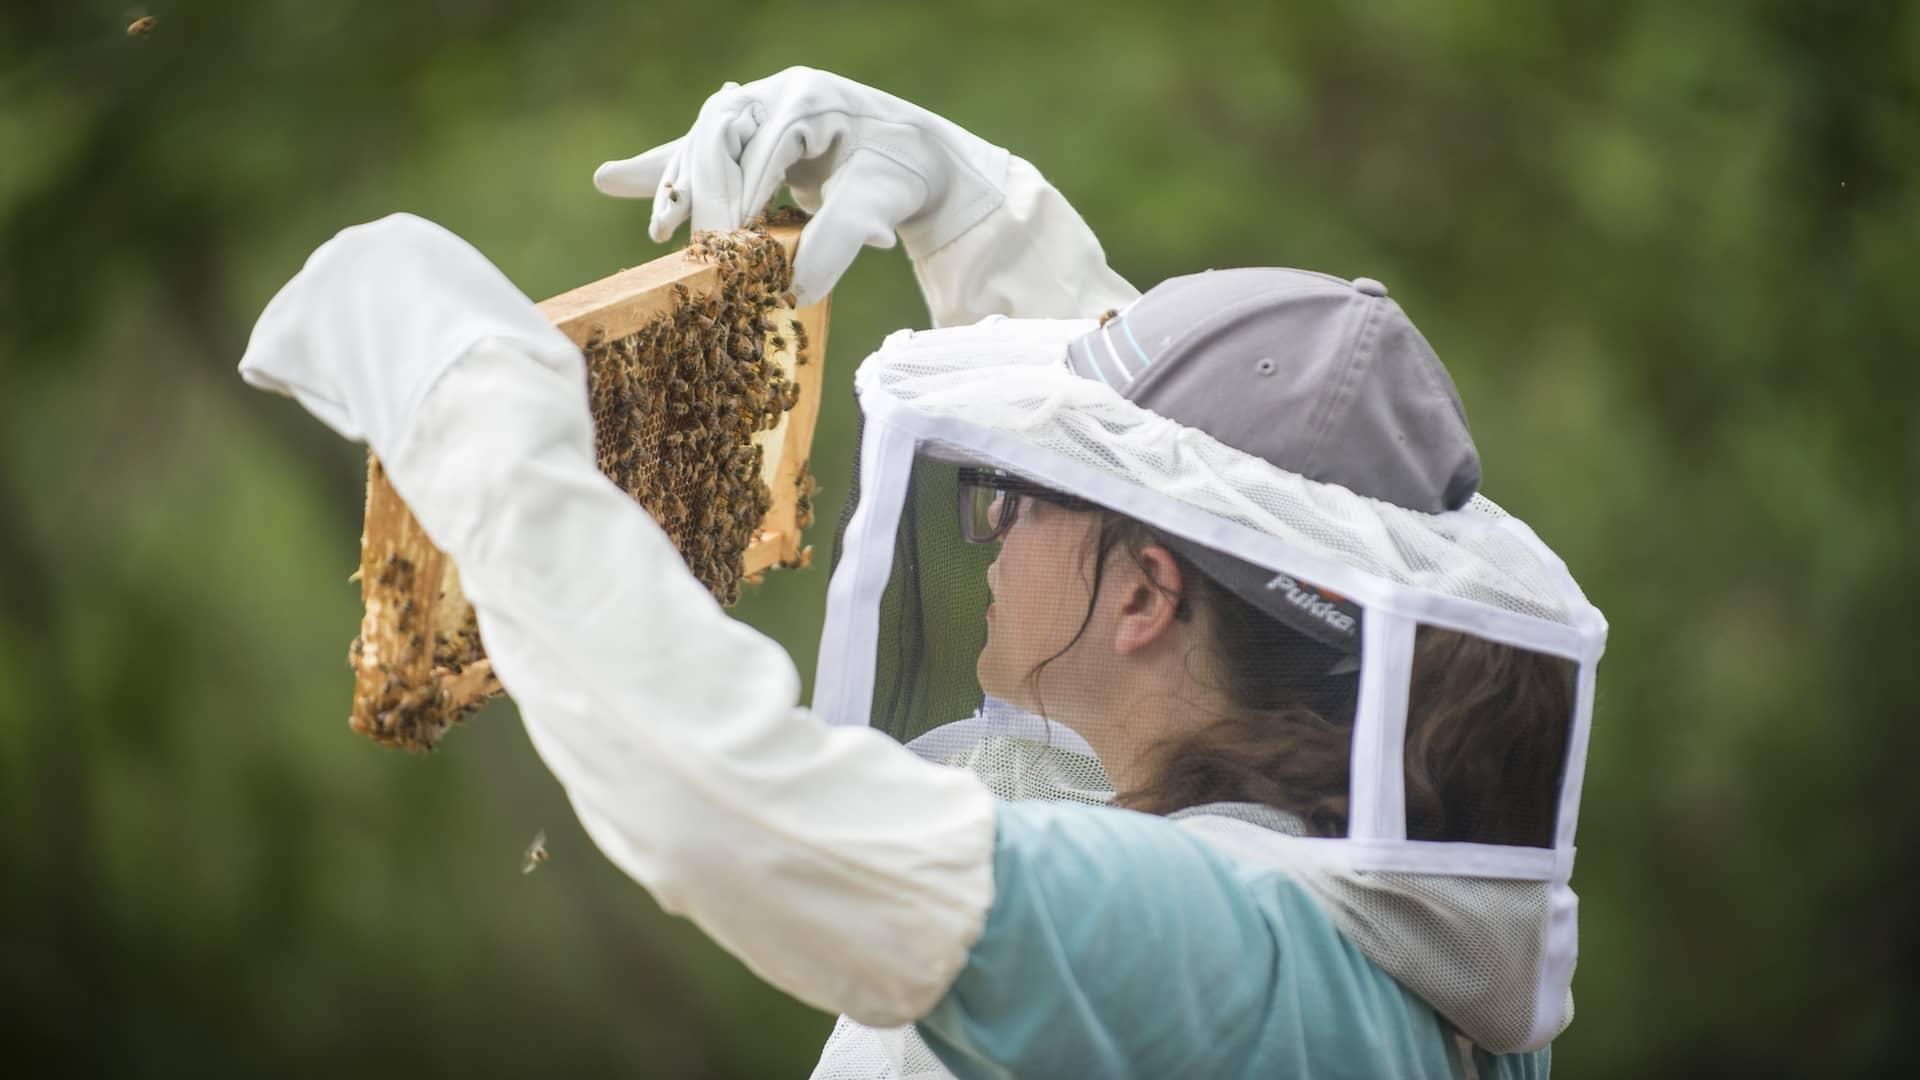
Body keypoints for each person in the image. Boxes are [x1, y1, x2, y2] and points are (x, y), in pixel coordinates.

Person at [240, 68, 1605, 1079]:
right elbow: (1204, 496)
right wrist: (978, 215)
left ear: (1146, 601)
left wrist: (484, 428)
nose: (992, 525)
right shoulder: (1326, 889)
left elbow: (737, 814)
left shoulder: (1225, 947)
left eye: (1019, 496)